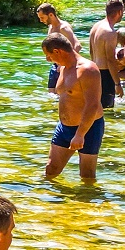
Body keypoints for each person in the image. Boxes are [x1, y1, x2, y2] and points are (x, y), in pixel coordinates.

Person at [43, 34, 104, 182]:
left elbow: (93, 104)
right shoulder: (64, 68)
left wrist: (80, 134)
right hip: (64, 127)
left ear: (57, 51)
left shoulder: (88, 70)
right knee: (51, 169)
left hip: (88, 128)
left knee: (87, 175)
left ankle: (87, 204)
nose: (48, 59)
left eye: (48, 55)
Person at [87, 0, 125, 108]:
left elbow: (91, 50)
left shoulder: (96, 26)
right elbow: (110, 60)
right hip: (105, 74)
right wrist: (117, 84)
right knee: (107, 108)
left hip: (94, 70)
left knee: (96, 107)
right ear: (119, 12)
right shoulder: (110, 32)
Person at [36, 3, 79, 91]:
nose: (41, 20)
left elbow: (77, 45)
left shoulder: (64, 28)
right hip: (55, 65)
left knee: (61, 94)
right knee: (51, 94)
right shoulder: (51, 27)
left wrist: (65, 65)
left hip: (65, 67)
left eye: (42, 17)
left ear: (51, 15)